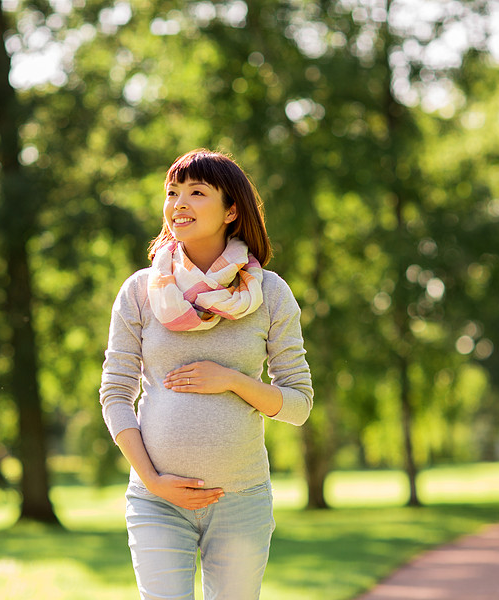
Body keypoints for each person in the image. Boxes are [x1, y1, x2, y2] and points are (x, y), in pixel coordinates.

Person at [99, 149, 314, 599]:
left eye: (197, 193)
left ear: (231, 210)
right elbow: (116, 393)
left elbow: (298, 404)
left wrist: (233, 380)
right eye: (173, 192)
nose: (179, 203)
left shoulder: (269, 294)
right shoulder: (140, 291)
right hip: (156, 500)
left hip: (241, 500)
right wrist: (153, 480)